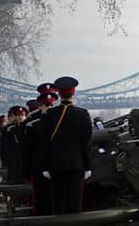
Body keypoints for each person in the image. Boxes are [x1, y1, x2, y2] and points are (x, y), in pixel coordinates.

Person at [41, 76, 92, 214]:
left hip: (55, 165)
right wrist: (88, 166)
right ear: (73, 92)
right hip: (77, 165)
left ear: (58, 94)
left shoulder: (49, 114)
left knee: (59, 205)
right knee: (75, 205)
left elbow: (45, 143)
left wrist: (45, 166)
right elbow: (86, 143)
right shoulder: (83, 114)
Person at [24, 90, 58, 216]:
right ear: (41, 106)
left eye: (51, 105)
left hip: (57, 166)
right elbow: (27, 150)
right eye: (46, 105)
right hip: (39, 169)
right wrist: (27, 171)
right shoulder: (33, 125)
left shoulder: (60, 122)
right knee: (41, 202)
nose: (49, 108)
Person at [0, 106, 27, 183]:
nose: (20, 117)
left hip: (25, 160)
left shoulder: (29, 127)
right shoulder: (10, 129)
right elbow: (6, 146)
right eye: (18, 115)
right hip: (14, 160)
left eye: (22, 115)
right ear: (15, 117)